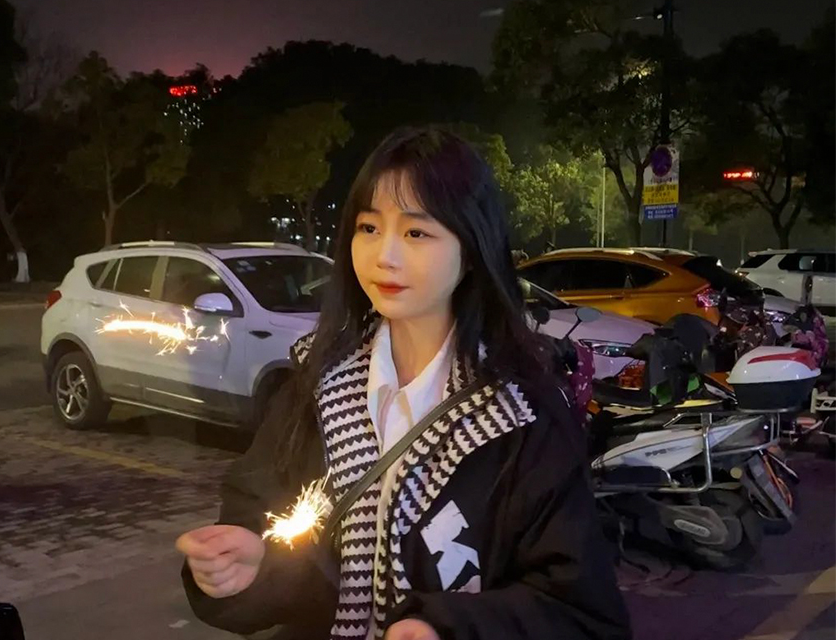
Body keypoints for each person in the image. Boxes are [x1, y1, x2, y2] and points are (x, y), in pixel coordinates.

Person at [177, 127, 632, 640]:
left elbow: (582, 614)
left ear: (472, 248)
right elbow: (260, 513)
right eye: (369, 228)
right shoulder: (316, 387)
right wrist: (248, 564)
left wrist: (444, 627)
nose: (384, 256)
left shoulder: (522, 413)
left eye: (416, 233)